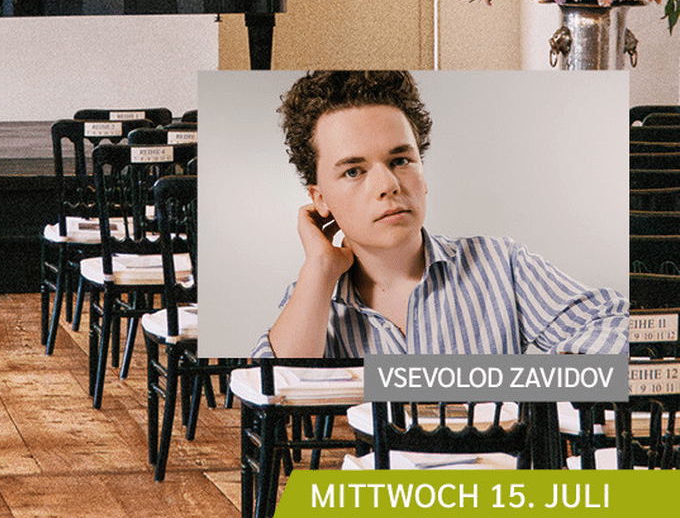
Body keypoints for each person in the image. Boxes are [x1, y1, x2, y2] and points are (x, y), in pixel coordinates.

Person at [252, 70, 627, 358]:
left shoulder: (500, 264)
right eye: (354, 171)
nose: (388, 185)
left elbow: (614, 323)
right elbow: (272, 391)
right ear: (320, 199)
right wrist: (320, 267)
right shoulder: (313, 296)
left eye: (401, 160)